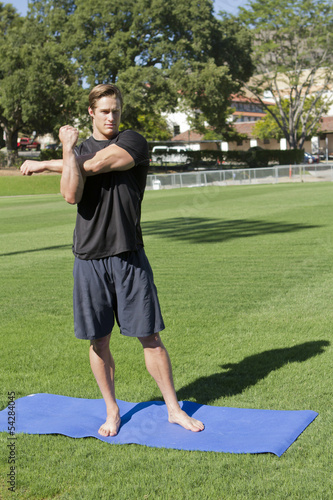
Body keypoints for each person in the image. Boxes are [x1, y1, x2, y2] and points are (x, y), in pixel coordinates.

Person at [21, 84, 204, 437]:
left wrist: (48, 162)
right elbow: (71, 194)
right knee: (98, 340)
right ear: (91, 112)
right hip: (88, 258)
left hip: (128, 255)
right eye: (104, 111)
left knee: (150, 337)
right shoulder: (78, 150)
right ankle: (112, 410)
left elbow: (95, 165)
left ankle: (173, 409)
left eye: (116, 110)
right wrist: (67, 149)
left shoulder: (132, 141)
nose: (111, 116)